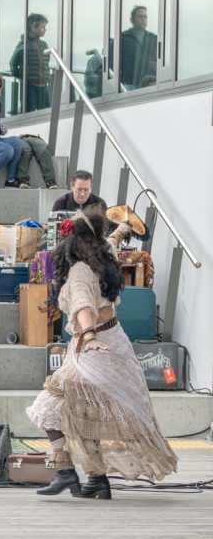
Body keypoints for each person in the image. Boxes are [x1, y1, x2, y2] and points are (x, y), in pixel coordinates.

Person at [26, 209, 177, 498]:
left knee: (46, 406)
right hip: (114, 341)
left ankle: (65, 471)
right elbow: (112, 239)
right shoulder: (104, 253)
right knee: (85, 409)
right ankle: (96, 480)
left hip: (95, 345)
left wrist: (89, 336)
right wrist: (123, 228)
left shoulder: (80, 269)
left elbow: (83, 306)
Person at [9, 13, 51, 112]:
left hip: (43, 84)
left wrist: (46, 76)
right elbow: (13, 63)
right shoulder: (24, 44)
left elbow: (46, 61)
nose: (45, 29)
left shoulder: (44, 44)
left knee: (45, 112)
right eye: (43, 27)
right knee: (29, 112)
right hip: (30, 85)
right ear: (33, 27)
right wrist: (22, 76)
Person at [121, 6, 158, 91]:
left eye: (145, 17)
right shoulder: (123, 37)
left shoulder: (153, 38)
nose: (143, 19)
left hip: (148, 84)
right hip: (129, 83)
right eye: (140, 17)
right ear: (132, 20)